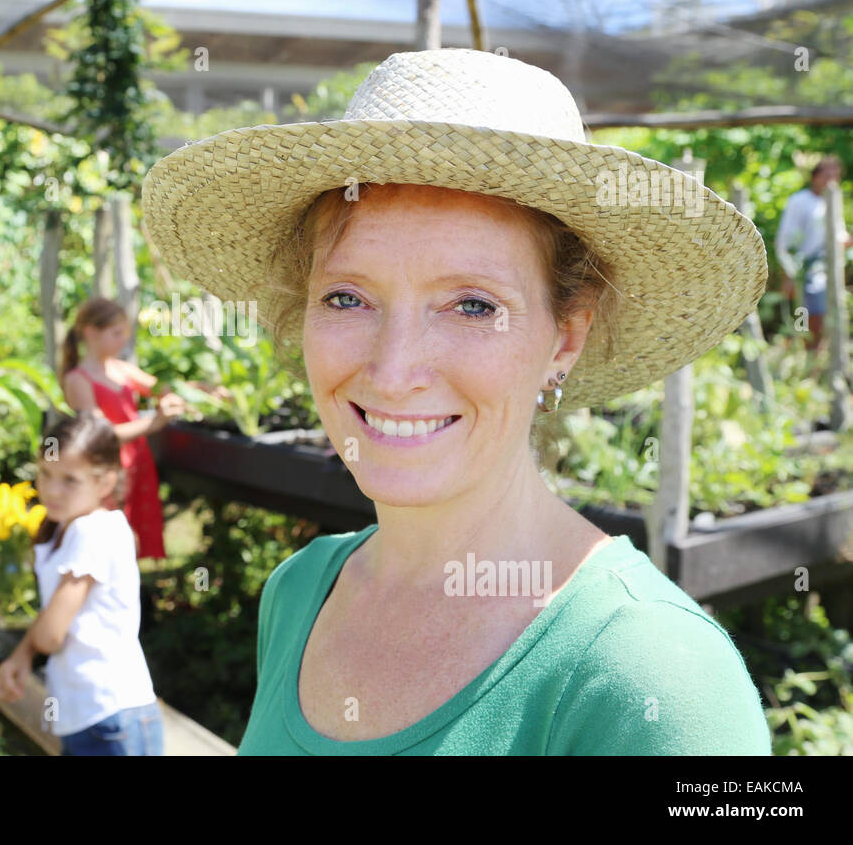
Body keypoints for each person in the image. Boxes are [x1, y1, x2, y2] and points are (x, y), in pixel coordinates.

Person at [141, 48, 773, 754]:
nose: (393, 369)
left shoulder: (655, 680)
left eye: (472, 305)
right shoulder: (302, 592)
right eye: (347, 297)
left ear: (565, 336)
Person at [0, 411, 163, 755]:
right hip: (96, 716)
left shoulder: (91, 532)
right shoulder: (70, 526)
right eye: (45, 473)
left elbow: (51, 634)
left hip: (109, 719)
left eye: (69, 480)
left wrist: (31, 645)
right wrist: (23, 654)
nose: (51, 490)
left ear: (105, 483)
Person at [59, 297, 189, 563]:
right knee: (112, 537)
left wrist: (198, 391)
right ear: (90, 332)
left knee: (135, 535)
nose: (122, 341)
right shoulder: (77, 380)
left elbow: (164, 388)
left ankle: (132, 592)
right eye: (116, 333)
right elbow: (101, 435)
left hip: (137, 463)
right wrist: (155, 422)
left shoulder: (121, 369)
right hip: (109, 470)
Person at [776, 155, 851, 351]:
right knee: (803, 318)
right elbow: (786, 239)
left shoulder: (833, 200)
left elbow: (838, 236)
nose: (831, 180)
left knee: (826, 319)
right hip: (803, 272)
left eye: (835, 175)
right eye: (827, 175)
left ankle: (816, 361)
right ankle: (801, 357)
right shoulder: (799, 201)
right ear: (815, 177)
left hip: (827, 273)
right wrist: (790, 272)